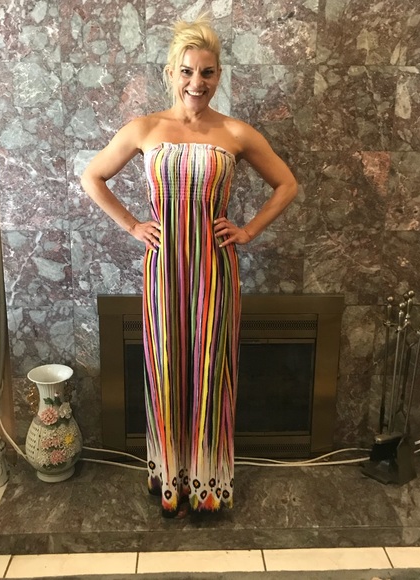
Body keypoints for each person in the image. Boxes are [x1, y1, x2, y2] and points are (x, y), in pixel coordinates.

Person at [81, 15, 298, 518]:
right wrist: (132, 224)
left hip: (215, 271)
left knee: (210, 369)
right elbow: (93, 176)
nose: (196, 83)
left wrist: (248, 230)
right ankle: (169, 480)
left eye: (207, 72)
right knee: (165, 369)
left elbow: (287, 184)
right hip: (163, 271)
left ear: (219, 75)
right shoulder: (145, 128)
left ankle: (207, 485)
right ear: (170, 73)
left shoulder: (236, 132)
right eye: (187, 71)